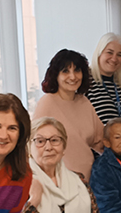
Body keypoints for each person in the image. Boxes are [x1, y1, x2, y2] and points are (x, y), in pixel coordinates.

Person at [34, 49, 104, 181]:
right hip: (59, 184)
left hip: (89, 182)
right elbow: (34, 148)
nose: (73, 77)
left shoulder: (84, 102)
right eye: (65, 71)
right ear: (56, 75)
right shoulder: (47, 102)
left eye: (77, 70)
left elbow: (101, 139)